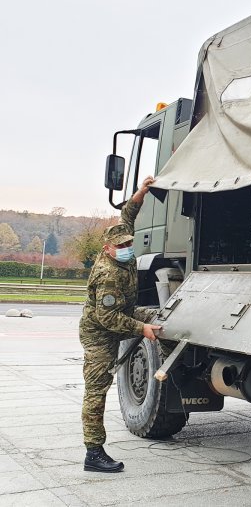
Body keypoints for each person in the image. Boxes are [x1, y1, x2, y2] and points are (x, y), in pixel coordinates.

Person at [79, 176, 162, 472]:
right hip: (100, 334)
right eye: (121, 246)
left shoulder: (122, 250)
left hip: (122, 315)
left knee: (158, 317)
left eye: (128, 242)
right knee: (97, 388)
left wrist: (141, 191)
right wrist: (142, 329)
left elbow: (127, 215)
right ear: (107, 249)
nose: (127, 247)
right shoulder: (108, 275)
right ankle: (93, 453)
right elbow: (108, 318)